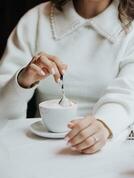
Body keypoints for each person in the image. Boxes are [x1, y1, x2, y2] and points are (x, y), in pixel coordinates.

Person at [0, 0, 134, 154]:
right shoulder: (36, 19)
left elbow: (128, 94)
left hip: (110, 149)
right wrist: (22, 81)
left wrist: (104, 124)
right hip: (40, 149)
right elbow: (3, 111)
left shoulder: (131, 28)